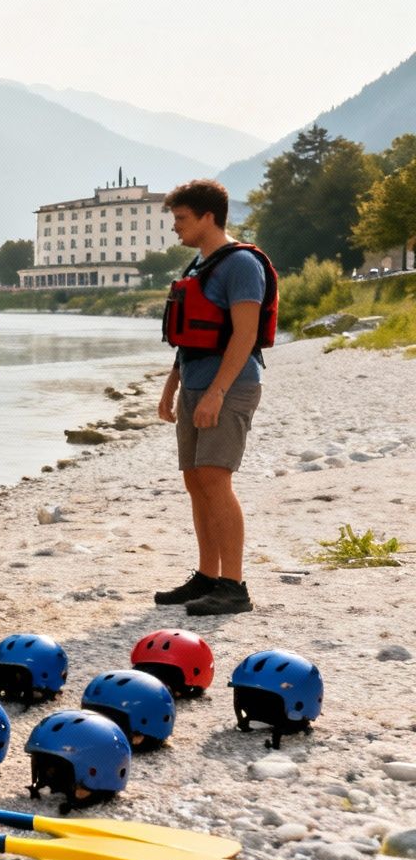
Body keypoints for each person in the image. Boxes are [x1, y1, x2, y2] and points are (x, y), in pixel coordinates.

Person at [155, 179, 275, 616]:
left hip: (231, 384)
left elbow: (244, 335)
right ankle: (207, 575)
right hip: (195, 383)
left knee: (214, 478)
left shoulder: (241, 264)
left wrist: (218, 393)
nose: (175, 227)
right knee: (195, 479)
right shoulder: (196, 266)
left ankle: (234, 585)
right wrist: (172, 388)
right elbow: (188, 338)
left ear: (208, 217)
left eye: (182, 219)